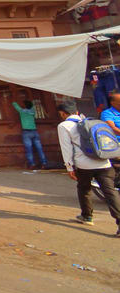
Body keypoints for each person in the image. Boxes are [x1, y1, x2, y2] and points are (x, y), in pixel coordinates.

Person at [56, 101, 120, 236]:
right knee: (110, 193)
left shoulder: (64, 126)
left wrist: (69, 167)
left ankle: (87, 216)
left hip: (84, 165)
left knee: (84, 189)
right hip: (104, 162)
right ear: (77, 112)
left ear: (62, 113)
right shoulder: (91, 121)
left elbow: (66, 148)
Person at [12, 96, 47, 169]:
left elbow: (14, 104)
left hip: (26, 132)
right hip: (34, 131)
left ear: (25, 106)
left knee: (29, 149)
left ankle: (32, 164)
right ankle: (44, 163)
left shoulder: (22, 111)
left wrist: (13, 96)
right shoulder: (33, 111)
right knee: (39, 148)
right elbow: (33, 104)